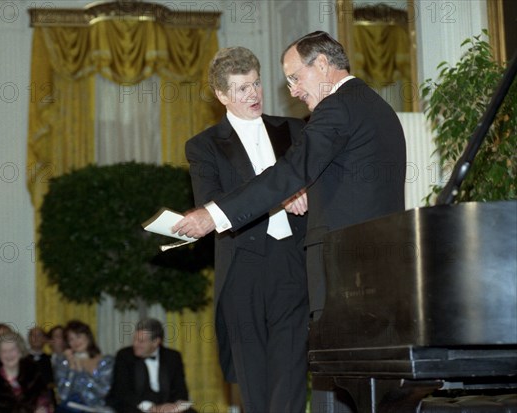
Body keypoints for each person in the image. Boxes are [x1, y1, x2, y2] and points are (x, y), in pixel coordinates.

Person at [173, 31, 406, 411]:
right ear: (221, 96)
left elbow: (295, 171)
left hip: (317, 265)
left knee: (312, 376)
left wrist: (215, 214)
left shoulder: (327, 113)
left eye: (294, 78)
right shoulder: (373, 105)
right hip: (259, 266)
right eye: (240, 88)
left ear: (323, 66)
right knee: (341, 379)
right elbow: (320, 177)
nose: (293, 90)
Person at [183, 46, 309, 413]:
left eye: (256, 84)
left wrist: (306, 192)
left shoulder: (296, 129)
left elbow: (319, 182)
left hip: (292, 262)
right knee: (253, 381)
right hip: (243, 267)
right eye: (241, 89)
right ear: (222, 95)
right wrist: (281, 195)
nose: (253, 94)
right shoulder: (203, 146)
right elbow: (211, 204)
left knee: (290, 374)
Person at [105, 318, 195, 413]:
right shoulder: (124, 355)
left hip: (166, 406)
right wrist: (151, 408)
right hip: (135, 405)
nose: (135, 344)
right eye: (135, 339)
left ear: (156, 342)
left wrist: (173, 406)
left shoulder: (173, 357)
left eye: (141, 341)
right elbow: (122, 391)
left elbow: (180, 389)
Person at [0, 331, 53, 413]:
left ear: (20, 351)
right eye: (4, 351)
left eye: (12, 349)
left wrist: (43, 409)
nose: (9, 355)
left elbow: (44, 400)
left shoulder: (33, 373)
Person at [54, 320, 114, 412]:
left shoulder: (106, 361)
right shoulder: (63, 363)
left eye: (78, 336)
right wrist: (72, 369)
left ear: (88, 337)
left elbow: (103, 392)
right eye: (71, 339)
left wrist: (81, 372)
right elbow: (63, 395)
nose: (75, 342)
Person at [27, 326, 56, 406]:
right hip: (28, 401)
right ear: (29, 339)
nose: (36, 338)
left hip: (48, 400)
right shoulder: (22, 359)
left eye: (39, 335)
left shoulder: (52, 358)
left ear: (44, 338)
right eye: (33, 335)